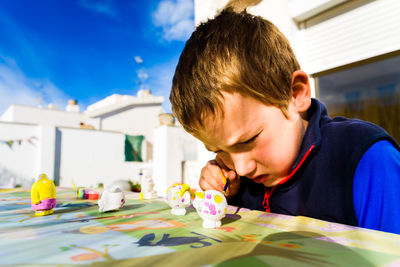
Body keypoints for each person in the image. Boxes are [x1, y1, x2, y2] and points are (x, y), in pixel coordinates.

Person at [169, 8, 400, 234]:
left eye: (249, 140)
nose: (241, 167)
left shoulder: (365, 160)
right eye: (220, 151)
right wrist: (230, 195)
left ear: (296, 94)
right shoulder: (241, 180)